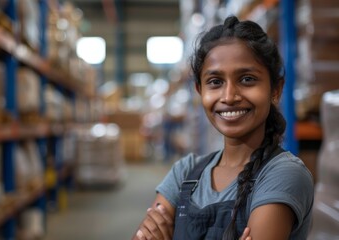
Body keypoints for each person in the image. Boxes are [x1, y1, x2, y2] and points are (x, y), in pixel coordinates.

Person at [132, 15, 314, 240]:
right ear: (200, 91)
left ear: (275, 90)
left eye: (247, 79)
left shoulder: (283, 175)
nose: (229, 97)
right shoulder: (185, 173)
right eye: (215, 82)